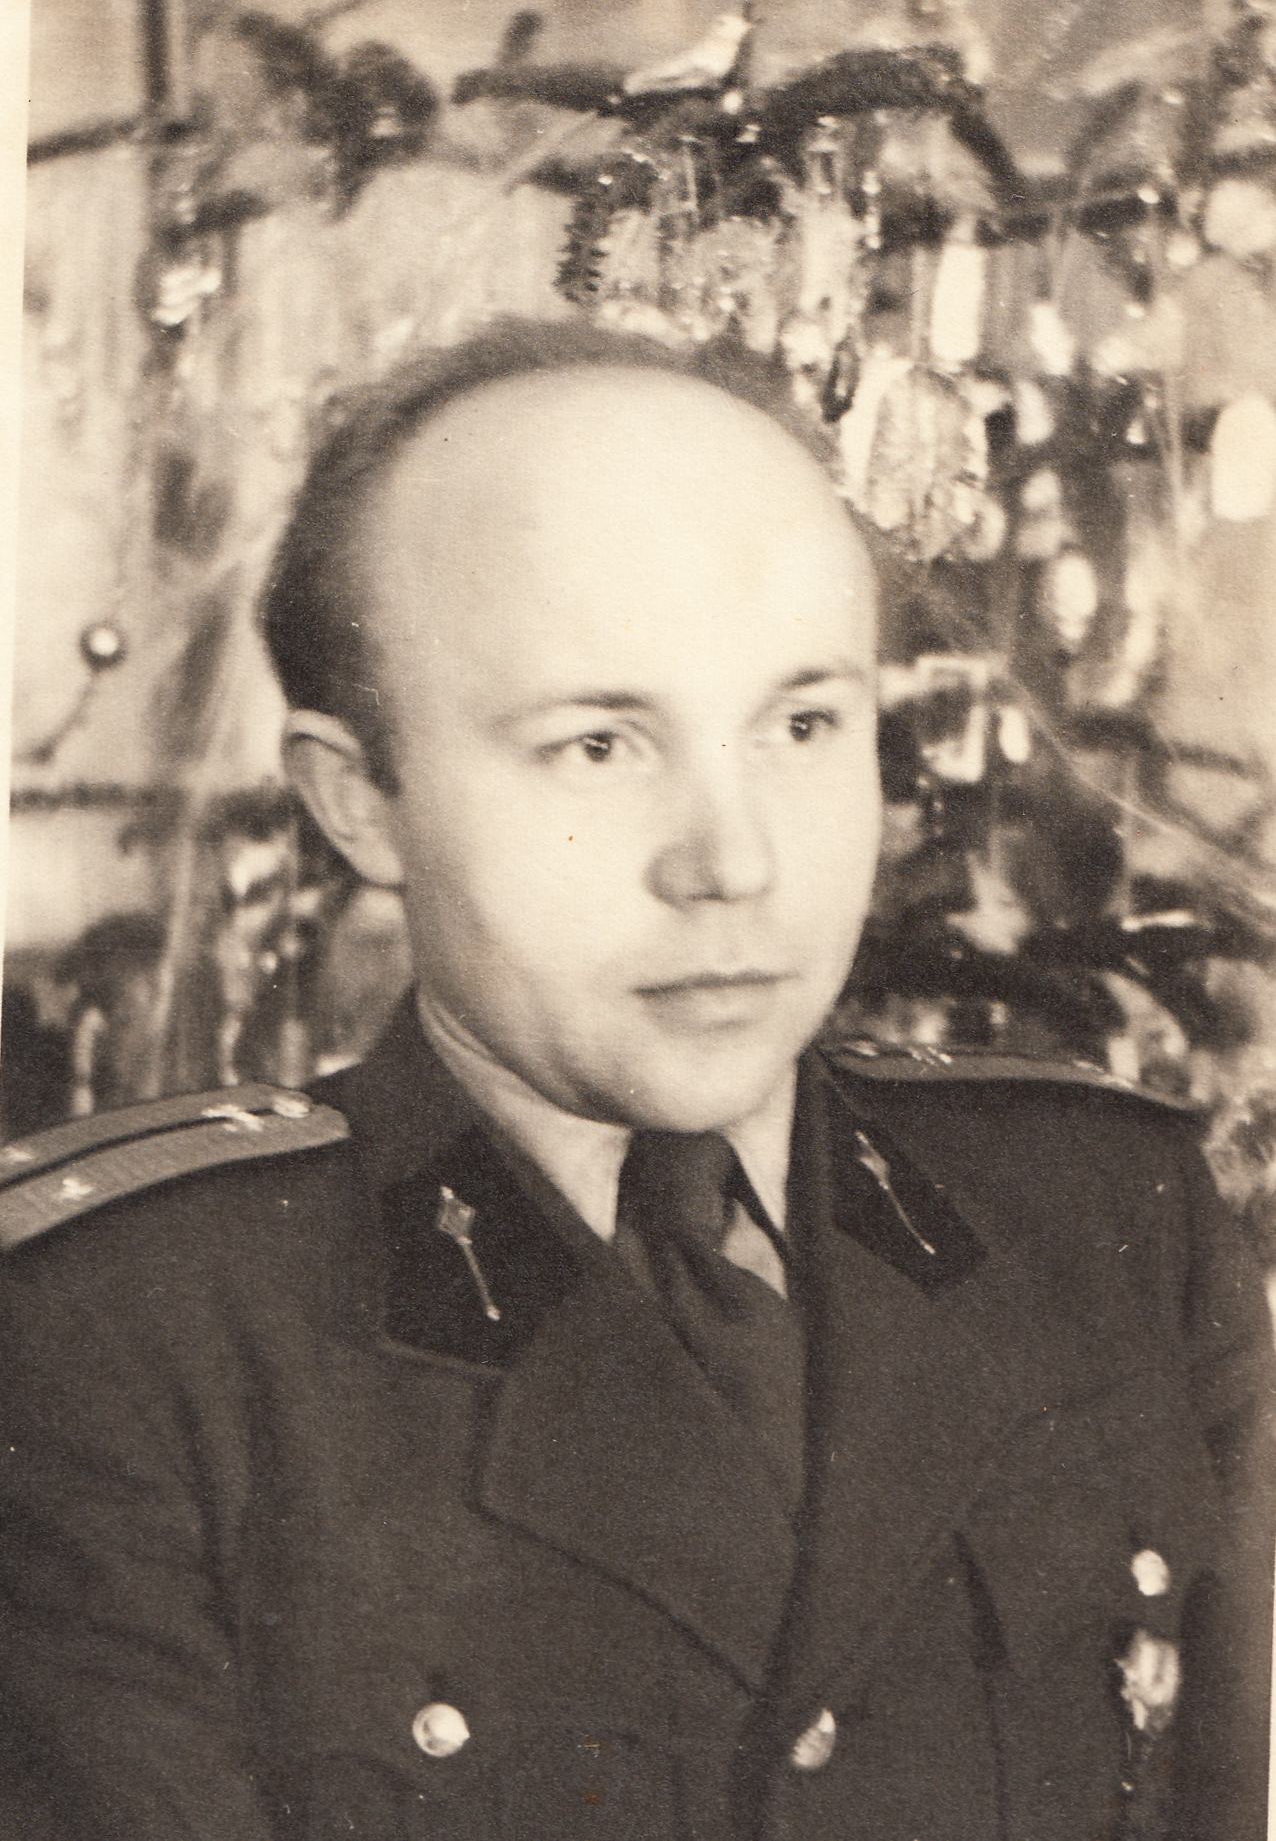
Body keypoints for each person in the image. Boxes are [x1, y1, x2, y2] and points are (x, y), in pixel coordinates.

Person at [0, 320, 1271, 1841]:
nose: (734, 862)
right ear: (359, 801)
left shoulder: (1106, 1212)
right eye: (599, 745)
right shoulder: (123, 1339)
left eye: (803, 724)